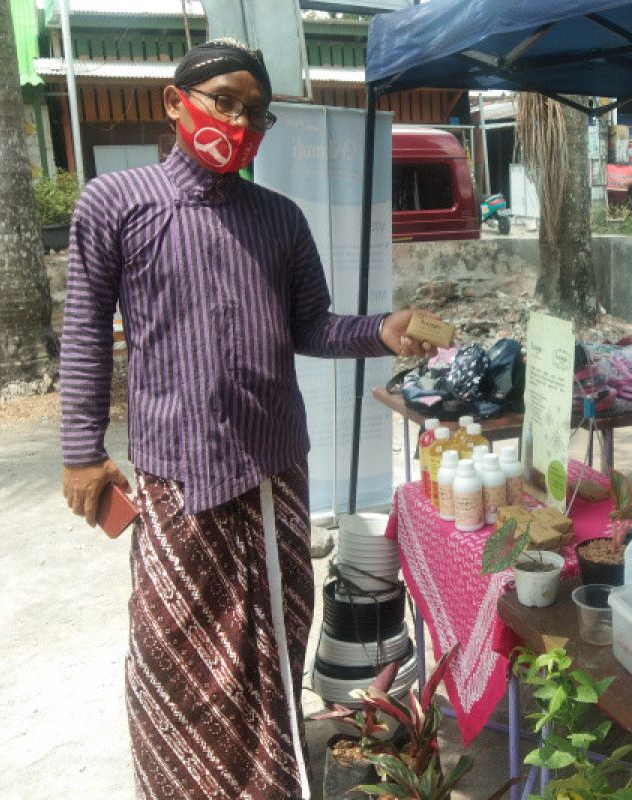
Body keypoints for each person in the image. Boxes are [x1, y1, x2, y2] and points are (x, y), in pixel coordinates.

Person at [59, 39, 439, 800]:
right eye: (223, 101)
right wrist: (80, 449)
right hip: (180, 477)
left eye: (254, 111)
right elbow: (84, 330)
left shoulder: (279, 218)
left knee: (273, 640)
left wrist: (382, 329)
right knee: (178, 653)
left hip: (274, 476)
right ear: (175, 102)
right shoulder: (117, 204)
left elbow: (313, 327)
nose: (238, 121)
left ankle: (271, 782)